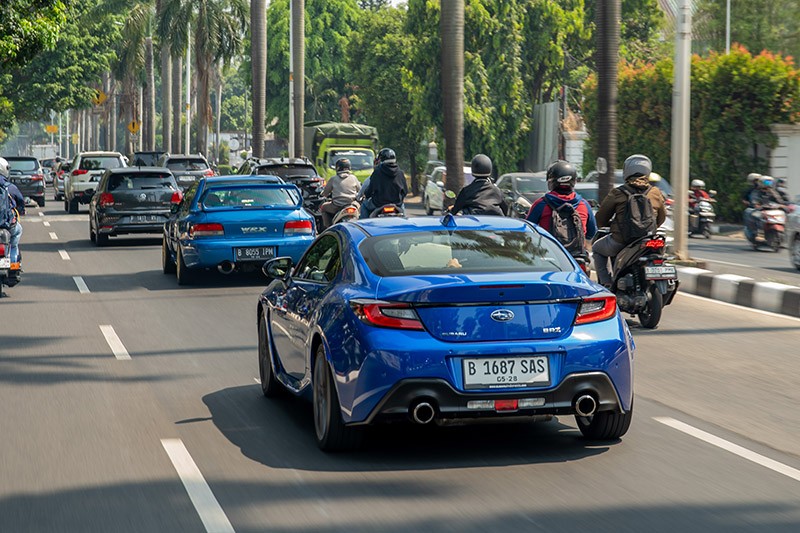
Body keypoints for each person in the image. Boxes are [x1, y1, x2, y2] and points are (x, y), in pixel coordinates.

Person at [592, 154, 667, 288]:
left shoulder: (618, 193)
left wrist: (609, 226)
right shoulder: (655, 192)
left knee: (597, 248)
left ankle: (606, 283)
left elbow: (601, 218)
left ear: (627, 171)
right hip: (648, 239)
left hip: (621, 240)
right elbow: (661, 217)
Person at [526, 160, 597, 258]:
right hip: (577, 260)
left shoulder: (541, 204)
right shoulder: (583, 204)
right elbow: (592, 232)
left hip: (549, 257)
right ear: (574, 181)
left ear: (551, 181)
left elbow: (527, 231)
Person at [360, 148, 407, 218]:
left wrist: (367, 195)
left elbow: (369, 190)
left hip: (378, 204)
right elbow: (405, 191)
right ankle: (405, 224)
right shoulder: (400, 173)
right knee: (403, 214)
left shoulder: (377, 172)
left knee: (364, 205)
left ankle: (364, 225)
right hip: (396, 204)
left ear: (381, 159)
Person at [319, 159, 360, 229]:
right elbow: (360, 190)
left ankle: (328, 227)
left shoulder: (333, 179)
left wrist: (322, 194)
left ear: (337, 168)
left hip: (336, 206)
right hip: (352, 205)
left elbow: (325, 193)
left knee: (323, 207)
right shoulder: (354, 178)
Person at [0, 157, 25, 268]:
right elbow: (21, 202)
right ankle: (13, 263)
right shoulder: (10, 187)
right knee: (17, 233)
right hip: (7, 224)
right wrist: (20, 211)